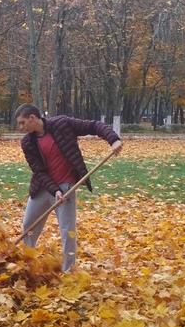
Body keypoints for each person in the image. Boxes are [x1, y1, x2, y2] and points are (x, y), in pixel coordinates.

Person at [14, 104, 122, 272]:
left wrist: (113, 139)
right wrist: (54, 190)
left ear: (32, 118)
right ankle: (28, 266)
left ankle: (68, 271)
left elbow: (93, 126)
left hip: (67, 187)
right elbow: (39, 170)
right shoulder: (27, 142)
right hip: (43, 187)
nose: (21, 127)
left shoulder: (62, 124)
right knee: (28, 226)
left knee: (67, 231)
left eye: (22, 123)